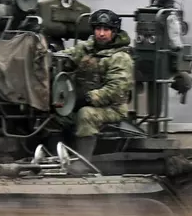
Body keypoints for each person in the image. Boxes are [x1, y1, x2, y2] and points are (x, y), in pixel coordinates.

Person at [58, 8, 135, 159]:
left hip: (113, 109)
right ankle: (58, 156)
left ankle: (84, 162)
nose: (101, 33)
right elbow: (67, 58)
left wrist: (86, 98)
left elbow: (115, 89)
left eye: (106, 29)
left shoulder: (120, 57)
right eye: (98, 29)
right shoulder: (86, 48)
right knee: (57, 115)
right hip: (82, 101)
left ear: (114, 32)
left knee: (86, 115)